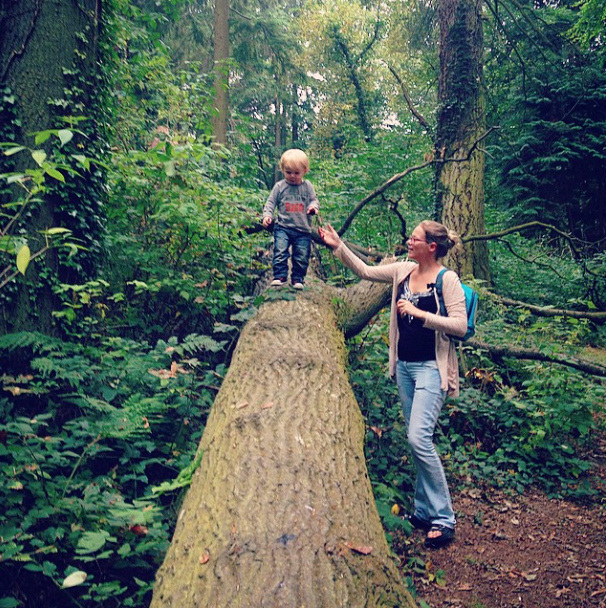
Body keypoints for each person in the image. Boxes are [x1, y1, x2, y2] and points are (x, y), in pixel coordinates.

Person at [318, 220, 467, 548]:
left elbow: (459, 325)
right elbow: (366, 272)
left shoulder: (447, 280)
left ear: (431, 247)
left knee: (419, 438)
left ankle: (444, 518)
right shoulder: (403, 270)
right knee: (416, 440)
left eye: (415, 238)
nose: (409, 241)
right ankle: (424, 510)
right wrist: (338, 246)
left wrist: (419, 313)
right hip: (405, 367)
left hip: (432, 369)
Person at [263, 149, 319, 289]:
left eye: (296, 173)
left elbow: (314, 200)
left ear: (305, 171)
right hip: (283, 227)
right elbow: (270, 202)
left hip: (303, 230)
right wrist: (267, 215)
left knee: (301, 255)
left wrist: (313, 208)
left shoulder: (307, 187)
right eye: (288, 172)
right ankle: (280, 276)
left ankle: (298, 279)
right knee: (280, 251)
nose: (292, 176)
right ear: (282, 170)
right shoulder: (280, 187)